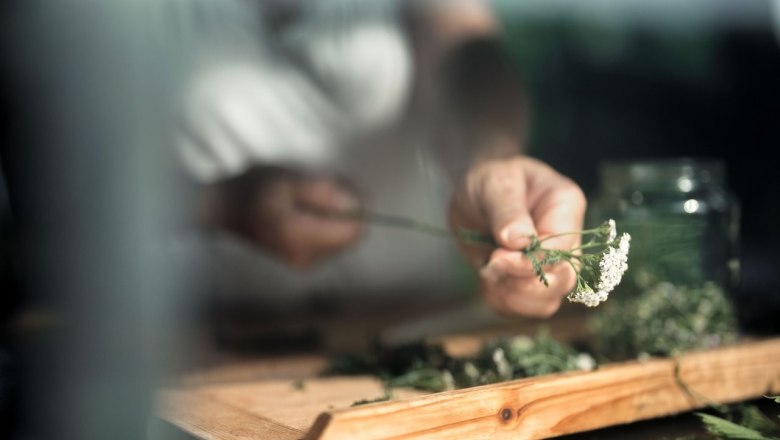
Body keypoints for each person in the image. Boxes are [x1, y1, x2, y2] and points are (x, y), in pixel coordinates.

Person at [173, 0, 587, 320]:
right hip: (202, 349)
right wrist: (222, 203)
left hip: (413, 324)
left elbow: (465, 52)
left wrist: (489, 160)